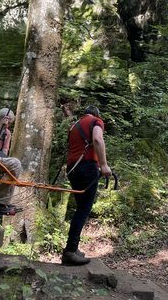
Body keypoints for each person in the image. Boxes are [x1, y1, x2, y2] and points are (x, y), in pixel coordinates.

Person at [62, 105, 112, 266]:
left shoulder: (75, 125)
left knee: (80, 208)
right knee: (84, 209)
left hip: (72, 169)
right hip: (87, 167)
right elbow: (97, 139)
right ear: (97, 114)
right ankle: (70, 251)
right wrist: (103, 165)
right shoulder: (96, 121)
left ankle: (73, 248)